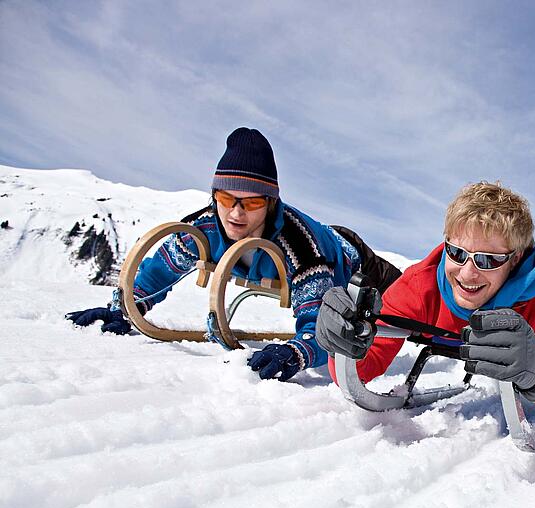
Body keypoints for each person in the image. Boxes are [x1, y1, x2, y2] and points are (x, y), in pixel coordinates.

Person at [66, 127, 400, 382]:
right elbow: (158, 272)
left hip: (353, 262)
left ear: (270, 204)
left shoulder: (298, 246)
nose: (236, 213)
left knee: (411, 305)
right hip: (319, 251)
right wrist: (126, 307)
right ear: (214, 197)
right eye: (227, 199)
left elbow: (320, 324)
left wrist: (297, 352)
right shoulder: (204, 229)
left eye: (252, 202)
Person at [316, 181, 535, 429]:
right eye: (456, 253)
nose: (467, 274)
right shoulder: (422, 283)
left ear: (516, 259)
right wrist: (342, 341)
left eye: (488, 259)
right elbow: (365, 363)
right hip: (466, 337)